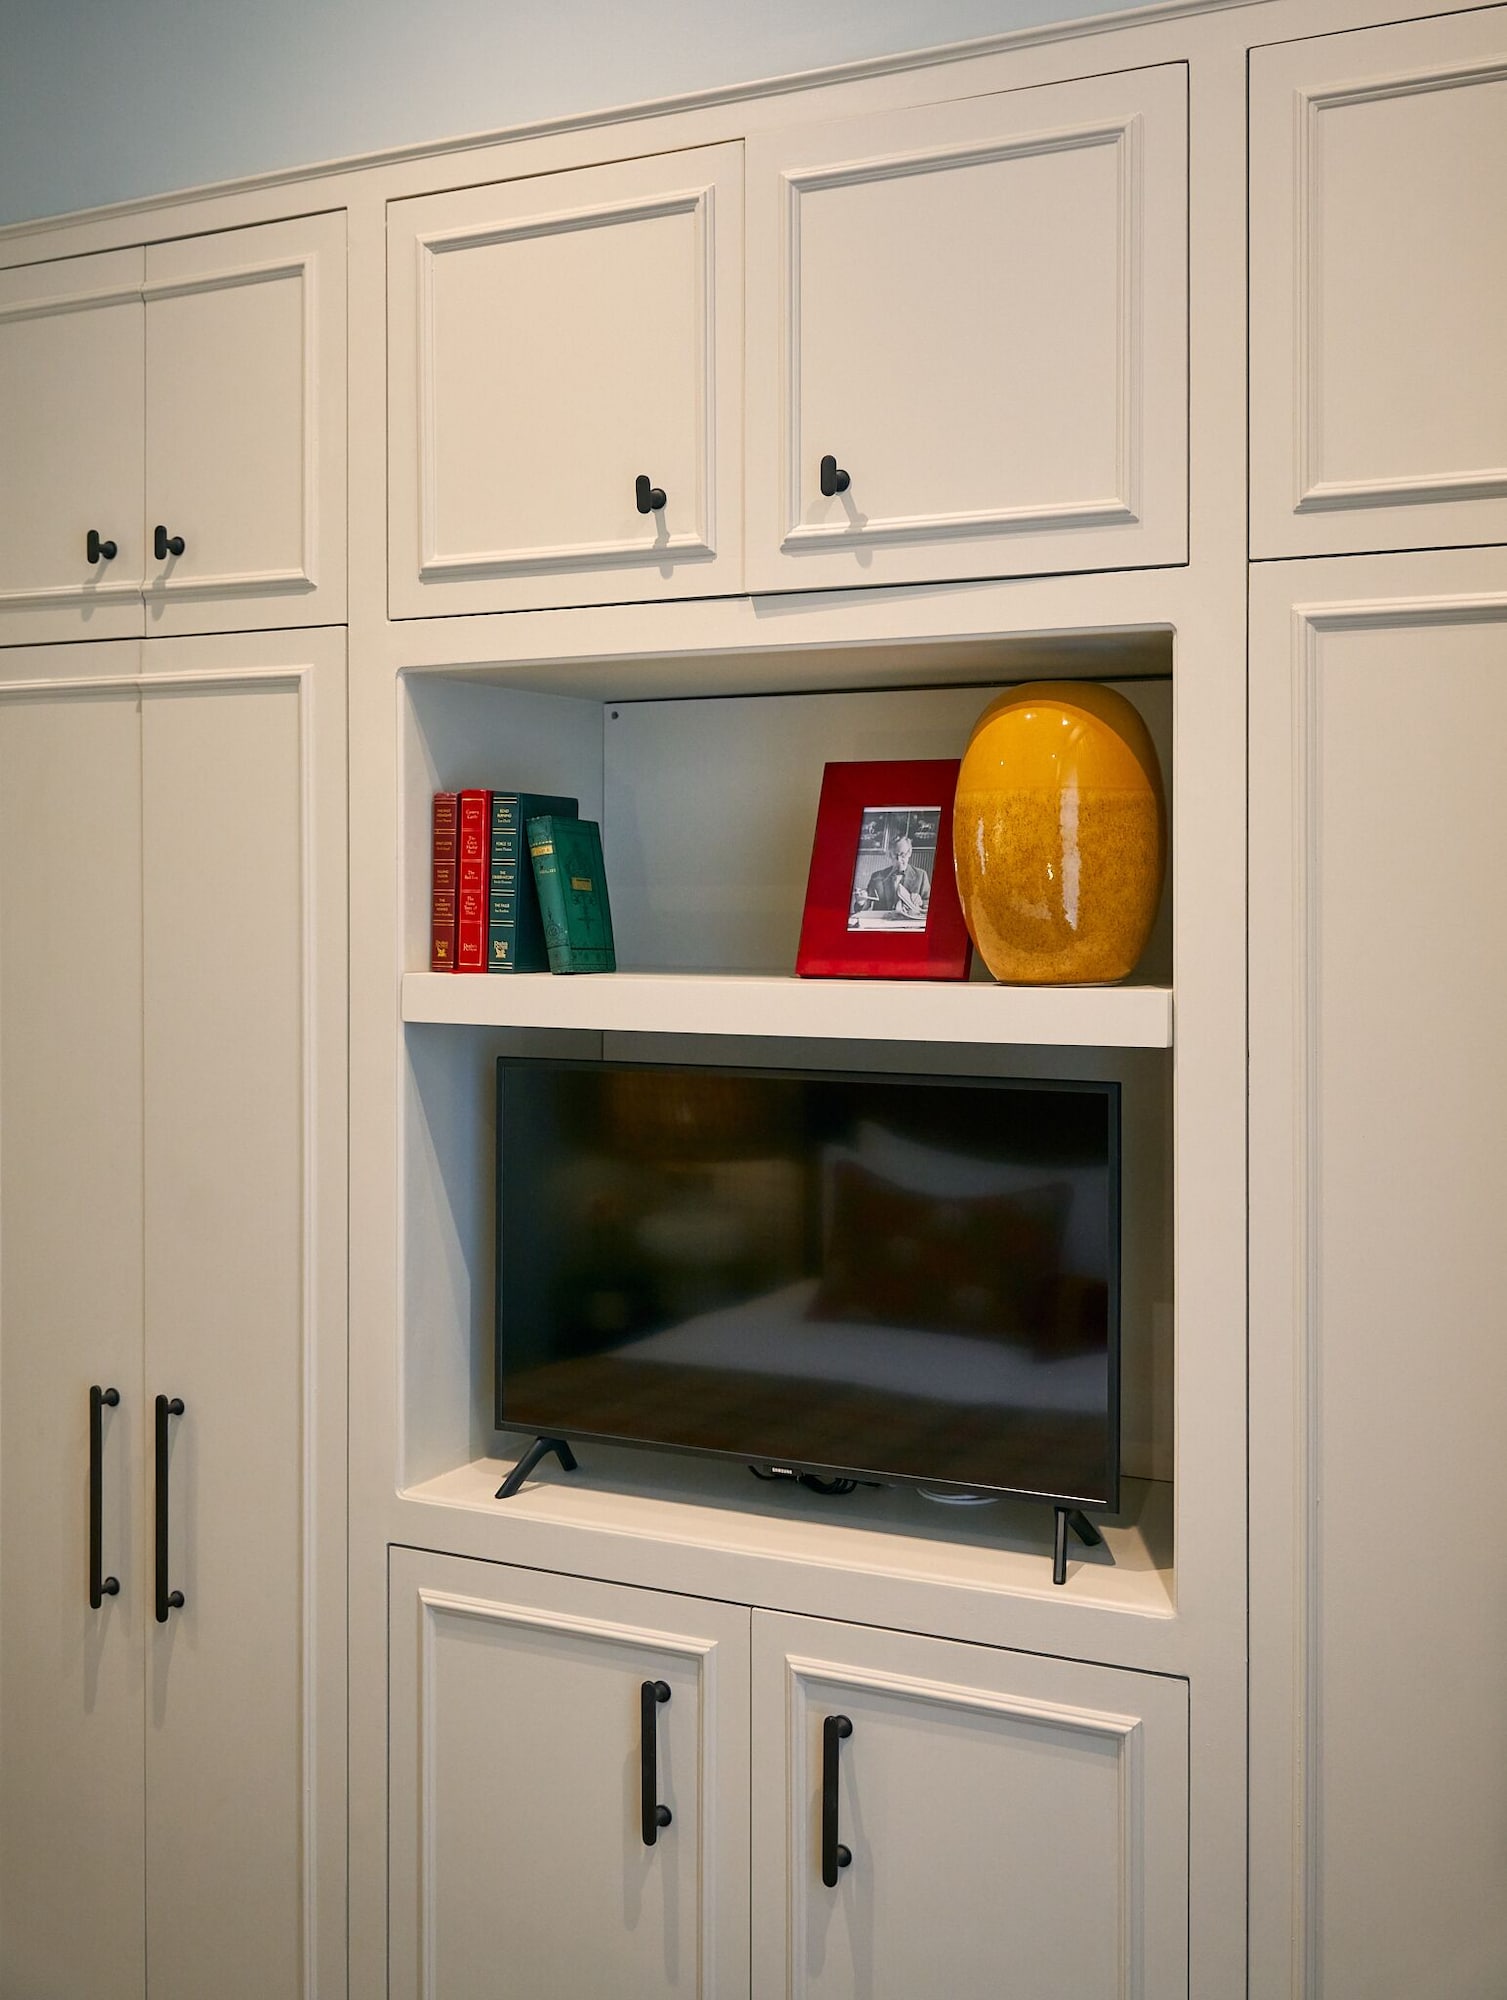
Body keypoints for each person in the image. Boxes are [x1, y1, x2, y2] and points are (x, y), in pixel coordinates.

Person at [861, 834, 931, 919]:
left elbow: (929, 903)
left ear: (909, 853)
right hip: (882, 922)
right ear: (890, 855)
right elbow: (864, 906)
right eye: (895, 855)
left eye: (902, 855)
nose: (899, 860)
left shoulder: (921, 875)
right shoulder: (877, 876)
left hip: (908, 923)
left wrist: (921, 902)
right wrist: (861, 902)